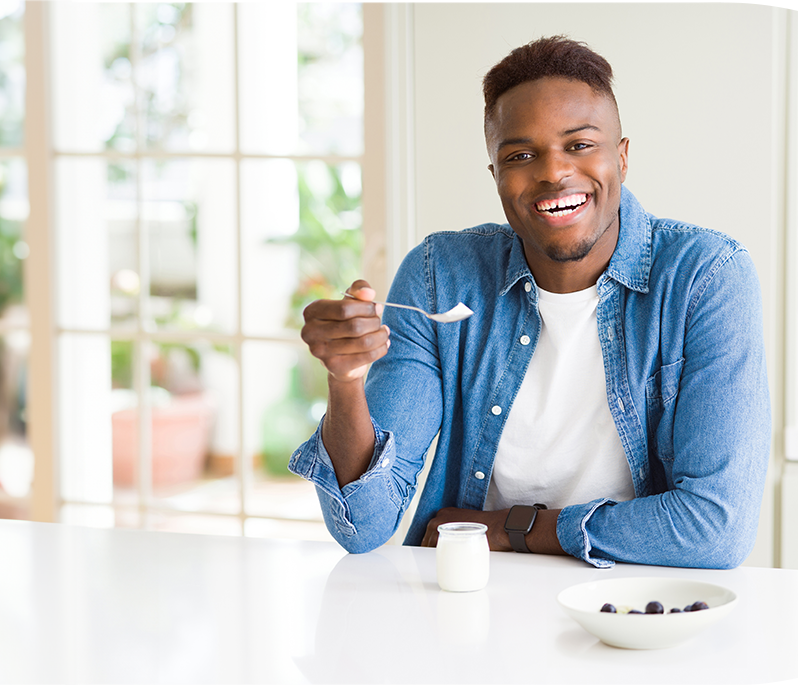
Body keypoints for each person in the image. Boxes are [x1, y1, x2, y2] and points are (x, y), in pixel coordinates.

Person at [291, 36, 769, 569]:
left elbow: (716, 528)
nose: (552, 172)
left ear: (623, 157)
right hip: (472, 599)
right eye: (521, 155)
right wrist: (346, 380)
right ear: (496, 176)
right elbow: (363, 525)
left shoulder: (706, 277)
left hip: (633, 606)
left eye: (580, 144)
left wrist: (514, 528)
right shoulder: (439, 278)